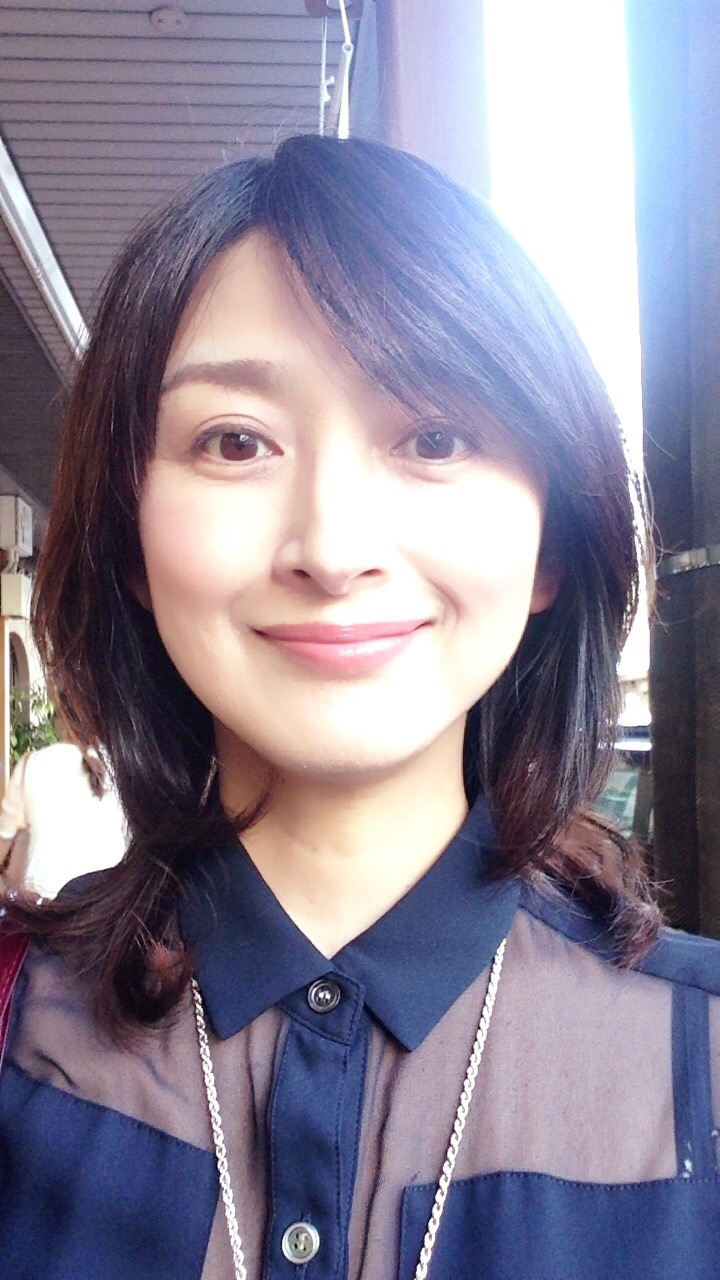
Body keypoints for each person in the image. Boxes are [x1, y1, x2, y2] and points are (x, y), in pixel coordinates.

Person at [0, 133, 717, 1280]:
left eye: (435, 436)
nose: (332, 549)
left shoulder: (699, 1060)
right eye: (236, 441)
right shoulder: (18, 1025)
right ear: (130, 536)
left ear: (551, 541)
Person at [0, 737, 127, 898]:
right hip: (108, 899)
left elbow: (4, 838)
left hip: (42, 901)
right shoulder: (126, 767)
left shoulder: (33, 762)